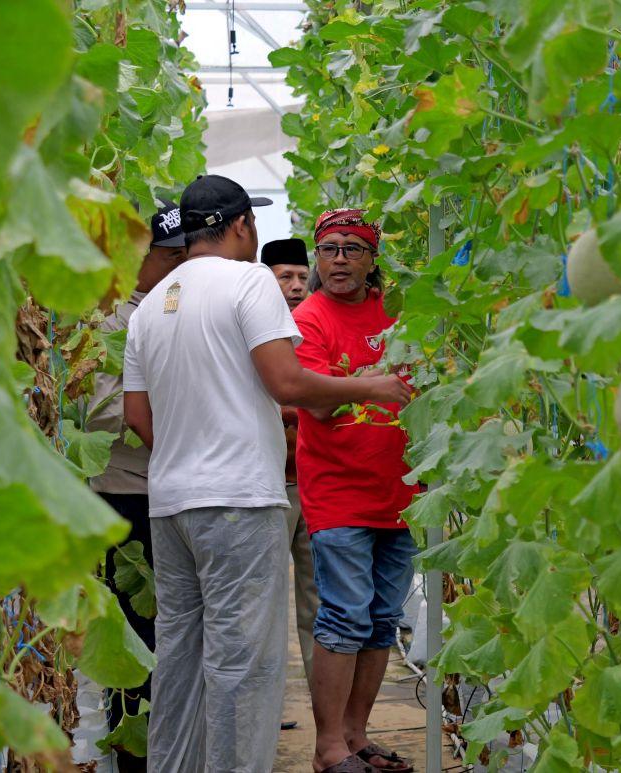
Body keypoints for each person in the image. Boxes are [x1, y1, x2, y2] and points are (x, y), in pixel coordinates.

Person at [123, 176, 412, 773]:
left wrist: (183, 450)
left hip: (171, 501)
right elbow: (287, 383)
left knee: (180, 655)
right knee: (243, 664)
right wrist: (373, 385)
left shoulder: (152, 303)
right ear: (240, 226)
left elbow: (136, 414)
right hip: (236, 500)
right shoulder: (248, 280)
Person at [294, 209, 418, 773]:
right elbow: (313, 400)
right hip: (338, 492)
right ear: (317, 258)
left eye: (352, 248)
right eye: (329, 249)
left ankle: (356, 736)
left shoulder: (397, 314)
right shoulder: (307, 318)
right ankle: (327, 749)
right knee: (344, 616)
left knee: (383, 619)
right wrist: (379, 384)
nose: (339, 259)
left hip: (402, 492)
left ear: (372, 259)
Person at [87, 202, 186, 773]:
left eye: (182, 257)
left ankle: (161, 746)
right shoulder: (111, 318)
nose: (176, 268)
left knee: (167, 628)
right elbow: (100, 417)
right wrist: (173, 424)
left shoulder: (168, 306)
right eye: (168, 257)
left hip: (168, 487)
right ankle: (133, 751)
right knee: (135, 629)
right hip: (125, 490)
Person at [261, 237, 320, 699]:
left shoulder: (315, 327)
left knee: (318, 606)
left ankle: (328, 711)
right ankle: (266, 706)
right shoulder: (256, 326)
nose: (297, 286)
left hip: (313, 485)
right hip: (269, 486)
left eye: (302, 277)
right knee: (263, 604)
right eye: (286, 277)